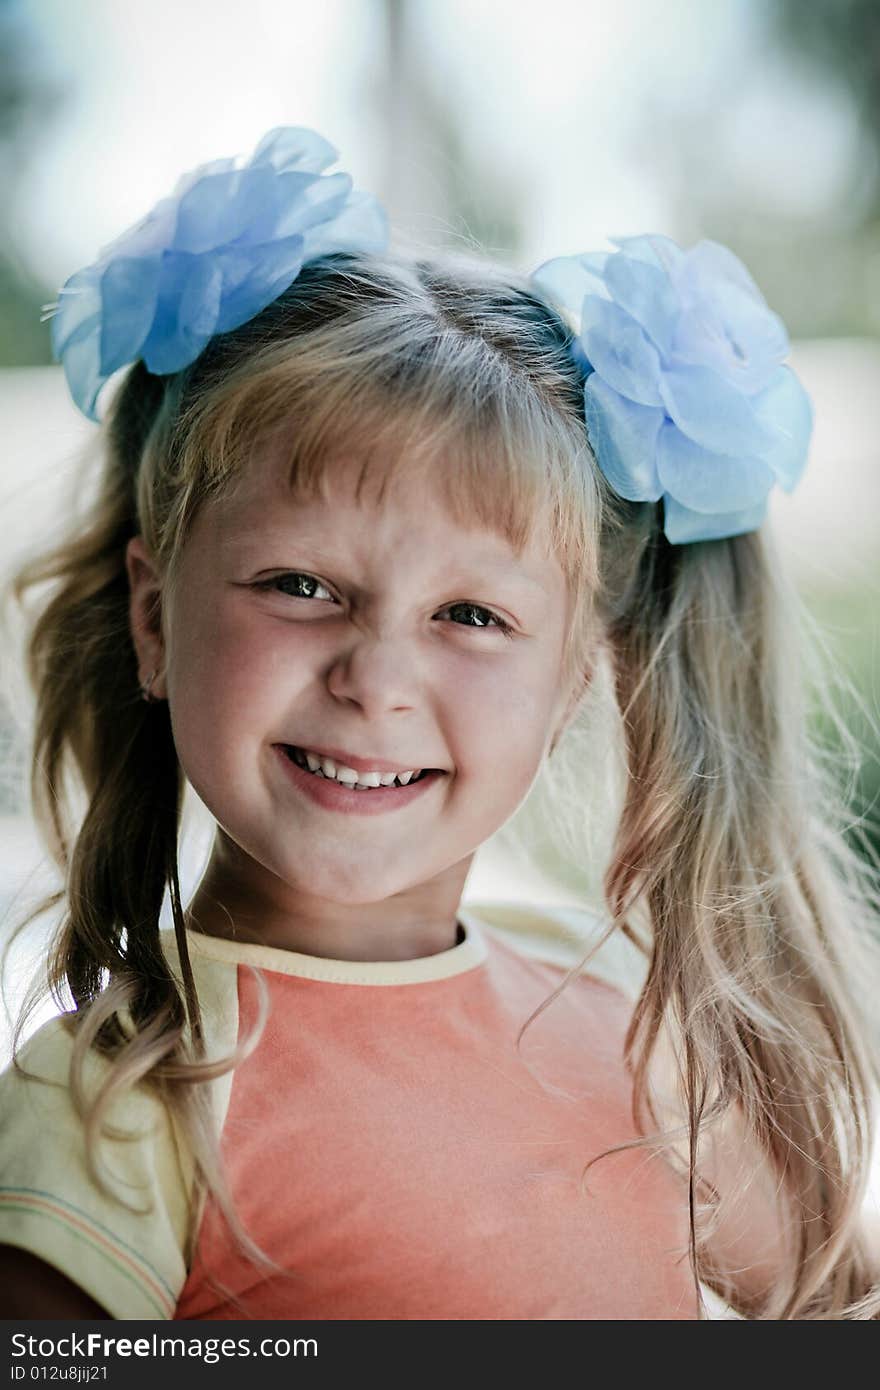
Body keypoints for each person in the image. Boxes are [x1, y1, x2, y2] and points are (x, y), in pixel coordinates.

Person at [1, 126, 878, 1321]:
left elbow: (824, 1296)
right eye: (301, 585)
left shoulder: (620, 1012)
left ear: (575, 678)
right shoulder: (113, 1109)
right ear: (155, 619)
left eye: (469, 612)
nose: (377, 677)